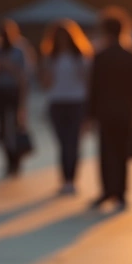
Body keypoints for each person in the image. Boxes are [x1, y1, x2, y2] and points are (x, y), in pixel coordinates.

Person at [86, 8, 132, 211]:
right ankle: (120, 193)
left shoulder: (100, 56)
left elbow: (93, 87)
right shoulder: (129, 55)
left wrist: (90, 114)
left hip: (104, 110)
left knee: (105, 151)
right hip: (125, 111)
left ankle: (106, 190)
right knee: (122, 152)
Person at [40, 19, 93, 195]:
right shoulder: (51, 58)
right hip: (57, 102)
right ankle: (65, 179)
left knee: (74, 142)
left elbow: (87, 81)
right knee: (63, 143)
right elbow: (46, 84)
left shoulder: (80, 57)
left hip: (76, 102)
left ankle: (71, 179)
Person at [0, 19, 33, 177]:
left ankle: (16, 159)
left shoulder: (19, 51)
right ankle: (8, 158)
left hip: (14, 91)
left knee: (16, 127)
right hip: (1, 91)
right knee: (2, 129)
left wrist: (23, 101)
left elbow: (24, 76)